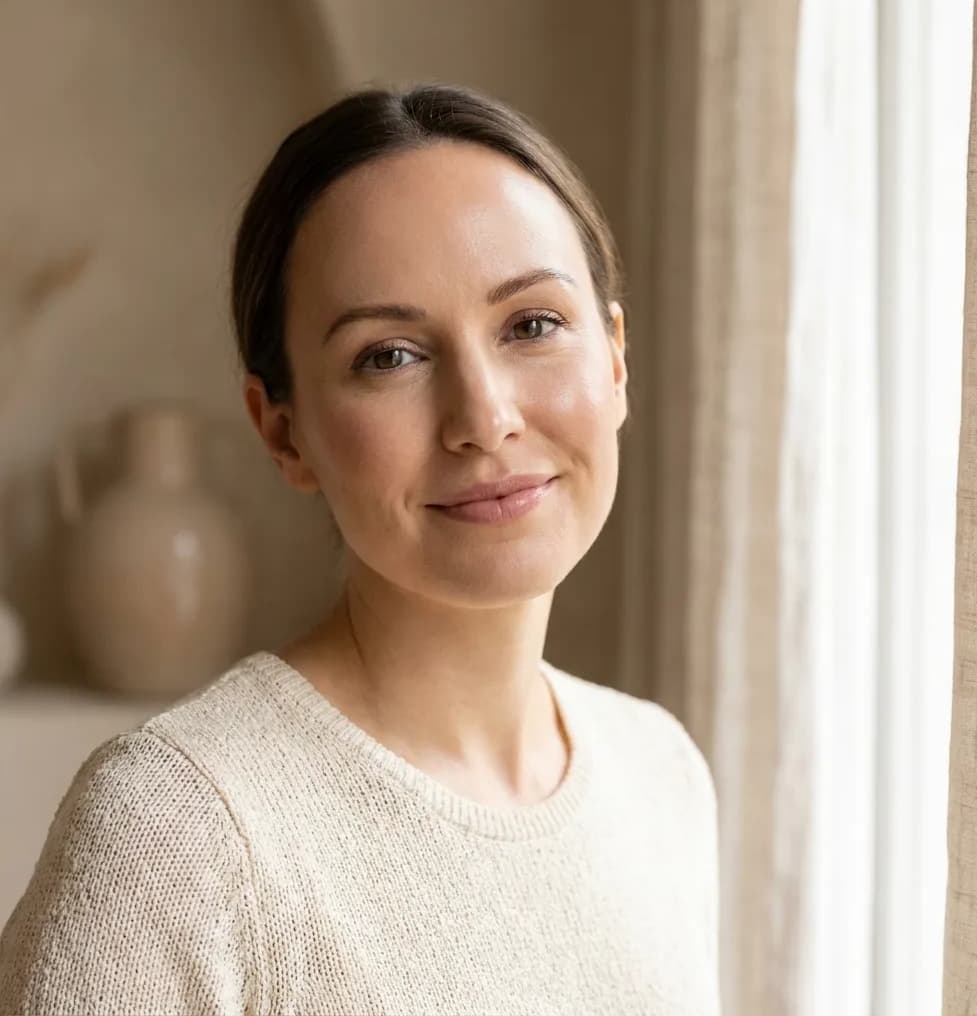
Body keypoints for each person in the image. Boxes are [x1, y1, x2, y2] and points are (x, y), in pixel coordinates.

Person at [0, 83, 721, 1015]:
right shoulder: (178, 834)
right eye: (390, 356)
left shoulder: (659, 775)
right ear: (283, 432)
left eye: (532, 325)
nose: (484, 417)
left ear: (615, 359)